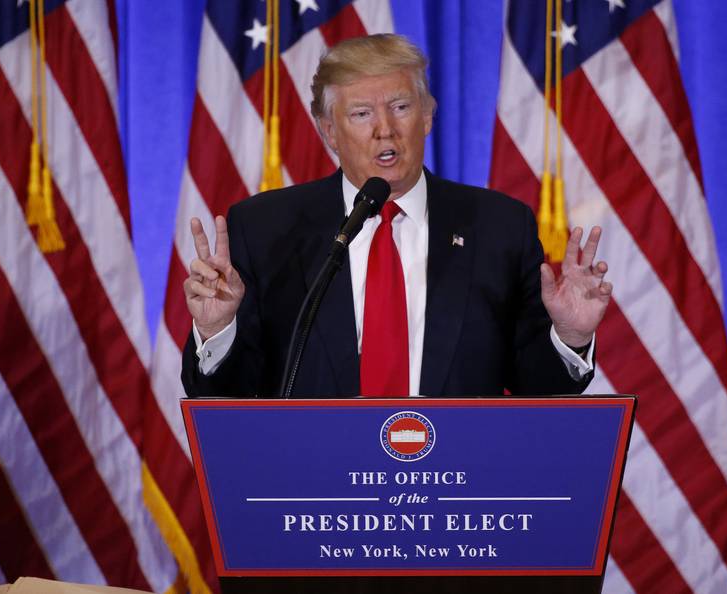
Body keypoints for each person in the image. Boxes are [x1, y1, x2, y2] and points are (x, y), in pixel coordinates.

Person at [181, 34, 611, 398]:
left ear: (427, 116)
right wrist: (217, 331)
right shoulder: (265, 228)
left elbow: (539, 391)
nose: (384, 129)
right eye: (361, 114)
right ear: (328, 130)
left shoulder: (499, 227)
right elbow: (228, 399)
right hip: (320, 486)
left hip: (454, 483)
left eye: (401, 107)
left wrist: (571, 338)